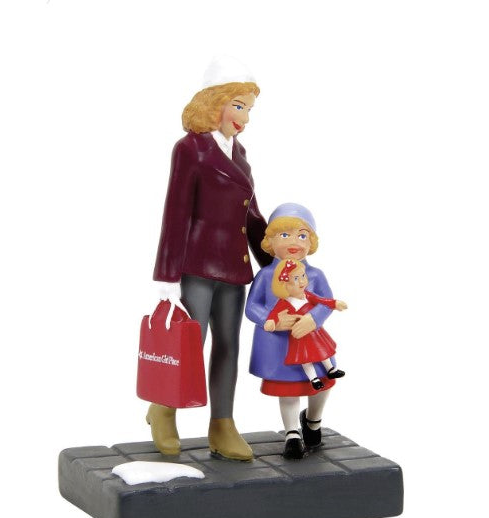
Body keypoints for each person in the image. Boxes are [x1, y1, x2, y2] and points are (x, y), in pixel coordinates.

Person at [148, 56, 273, 461]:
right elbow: (176, 213)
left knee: (228, 346)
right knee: (189, 343)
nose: (245, 118)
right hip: (197, 266)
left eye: (249, 108)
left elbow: (251, 214)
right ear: (214, 102)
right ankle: (164, 408)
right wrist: (167, 275)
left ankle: (222, 422)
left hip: (235, 268)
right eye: (238, 106)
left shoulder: (240, 153)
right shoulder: (190, 149)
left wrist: (273, 262)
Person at [245, 203, 340, 459]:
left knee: (323, 381)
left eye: (302, 235)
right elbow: (252, 306)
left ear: (312, 241)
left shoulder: (315, 275)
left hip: (310, 339)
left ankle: (313, 420)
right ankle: (292, 433)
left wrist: (313, 319)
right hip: (279, 344)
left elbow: (326, 302)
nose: (294, 242)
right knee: (287, 387)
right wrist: (271, 320)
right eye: (284, 235)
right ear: (270, 241)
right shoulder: (266, 276)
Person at [264, 258, 347, 391]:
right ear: (285, 285)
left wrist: (334, 303)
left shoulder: (307, 295)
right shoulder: (284, 302)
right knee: (306, 359)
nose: (302, 281)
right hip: (299, 335)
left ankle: (331, 369)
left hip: (314, 332)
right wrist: (271, 321)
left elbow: (321, 300)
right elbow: (274, 313)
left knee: (323, 350)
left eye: (303, 276)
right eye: (296, 279)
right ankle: (313, 379)